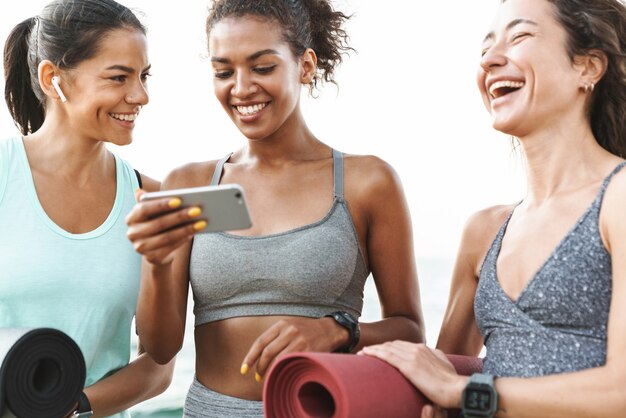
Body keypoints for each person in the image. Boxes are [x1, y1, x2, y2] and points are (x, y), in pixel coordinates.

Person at [125, 0, 425, 416]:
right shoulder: (191, 184)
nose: (241, 88)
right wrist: (156, 264)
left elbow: (410, 332)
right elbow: (159, 349)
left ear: (305, 65)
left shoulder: (366, 182)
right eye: (223, 71)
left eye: (262, 67)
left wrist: (336, 330)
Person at [361, 0, 626, 417]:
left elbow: (621, 391)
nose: (491, 60)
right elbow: (438, 382)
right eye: (486, 49)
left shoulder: (618, 198)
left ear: (588, 67)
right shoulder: (484, 231)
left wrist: (467, 393)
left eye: (519, 36)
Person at [0, 1, 174, 417]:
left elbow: (159, 365)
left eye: (143, 76)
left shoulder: (151, 199)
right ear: (52, 78)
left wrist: (73, 404)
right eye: (119, 78)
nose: (140, 96)